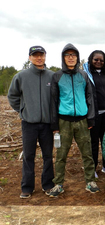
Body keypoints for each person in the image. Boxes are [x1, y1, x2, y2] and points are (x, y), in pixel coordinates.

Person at [49, 43, 99, 197]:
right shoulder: (57, 76)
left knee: (87, 153)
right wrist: (54, 124)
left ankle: (90, 181)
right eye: (67, 55)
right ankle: (58, 184)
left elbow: (90, 97)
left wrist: (91, 118)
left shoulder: (83, 75)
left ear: (77, 57)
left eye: (73, 55)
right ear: (63, 58)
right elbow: (53, 101)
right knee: (61, 154)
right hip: (64, 121)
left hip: (82, 121)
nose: (71, 58)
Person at [8, 45, 55, 199]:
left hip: (47, 124)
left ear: (45, 56)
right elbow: (12, 96)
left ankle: (48, 185)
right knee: (29, 156)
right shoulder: (21, 76)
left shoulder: (52, 76)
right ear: (30, 58)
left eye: (41, 55)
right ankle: (27, 187)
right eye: (35, 55)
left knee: (48, 155)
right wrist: (22, 111)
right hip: (29, 123)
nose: (39, 57)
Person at [83, 50, 105, 177]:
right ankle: (93, 168)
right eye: (96, 59)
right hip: (94, 113)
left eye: (101, 60)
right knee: (93, 141)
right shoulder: (86, 75)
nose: (98, 62)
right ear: (91, 60)